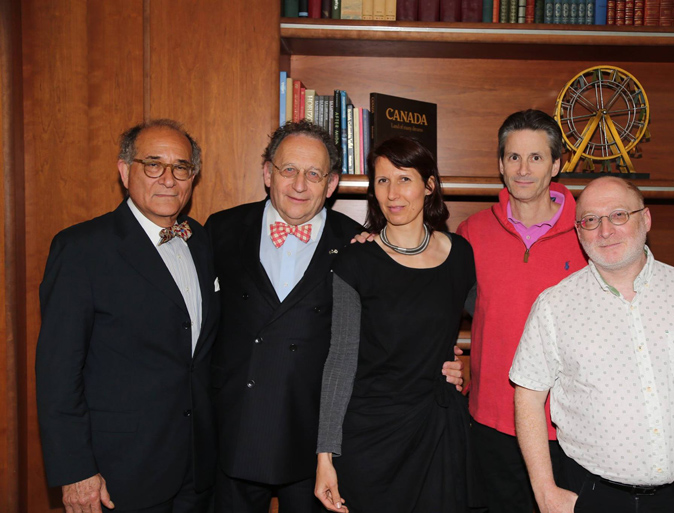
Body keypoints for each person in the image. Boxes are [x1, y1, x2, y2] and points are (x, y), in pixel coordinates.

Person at [456, 109, 674, 513]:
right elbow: (441, 303)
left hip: (576, 431)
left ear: (556, 165)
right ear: (500, 164)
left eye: (536, 157)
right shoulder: (473, 232)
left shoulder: (592, 230)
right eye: (513, 157)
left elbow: (644, 286)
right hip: (492, 420)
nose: (524, 169)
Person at [205, 121, 464, 513]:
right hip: (236, 426)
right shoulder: (221, 229)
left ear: (331, 184)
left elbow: (398, 326)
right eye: (288, 170)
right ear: (267, 173)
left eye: (314, 174)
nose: (299, 185)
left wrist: (450, 361)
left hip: (315, 433)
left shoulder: (358, 244)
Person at [511, 176, 674, 513]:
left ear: (645, 219)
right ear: (578, 232)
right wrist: (545, 492)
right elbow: (528, 396)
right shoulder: (554, 306)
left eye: (619, 215)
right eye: (590, 220)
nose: (605, 231)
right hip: (588, 495)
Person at [36, 120, 220, 513]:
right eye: (153, 164)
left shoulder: (200, 240)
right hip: (118, 472)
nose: (168, 179)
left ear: (193, 177)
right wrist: (76, 470)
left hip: (196, 468)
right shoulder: (81, 249)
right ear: (124, 172)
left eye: (181, 167)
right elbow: (57, 372)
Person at [314, 136, 483, 513]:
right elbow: (340, 361)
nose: (392, 193)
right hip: (370, 438)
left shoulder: (460, 255)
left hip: (438, 430)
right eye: (382, 180)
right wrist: (325, 456)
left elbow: (494, 327)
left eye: (404, 179)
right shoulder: (355, 262)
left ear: (429, 185)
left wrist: (467, 369)